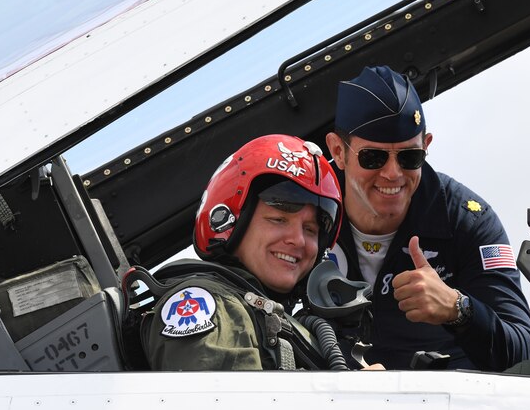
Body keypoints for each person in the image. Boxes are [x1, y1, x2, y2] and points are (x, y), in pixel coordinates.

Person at [325, 66, 530, 371]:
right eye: (374, 157)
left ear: (427, 146)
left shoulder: (467, 221)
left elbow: (525, 353)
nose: (393, 173)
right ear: (338, 151)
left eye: (410, 157)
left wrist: (459, 310)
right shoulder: (301, 208)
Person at [140, 134, 380, 371]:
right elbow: (226, 408)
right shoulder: (211, 305)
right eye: (278, 220)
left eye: (310, 229)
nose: (298, 240)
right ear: (232, 222)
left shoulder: (266, 317)